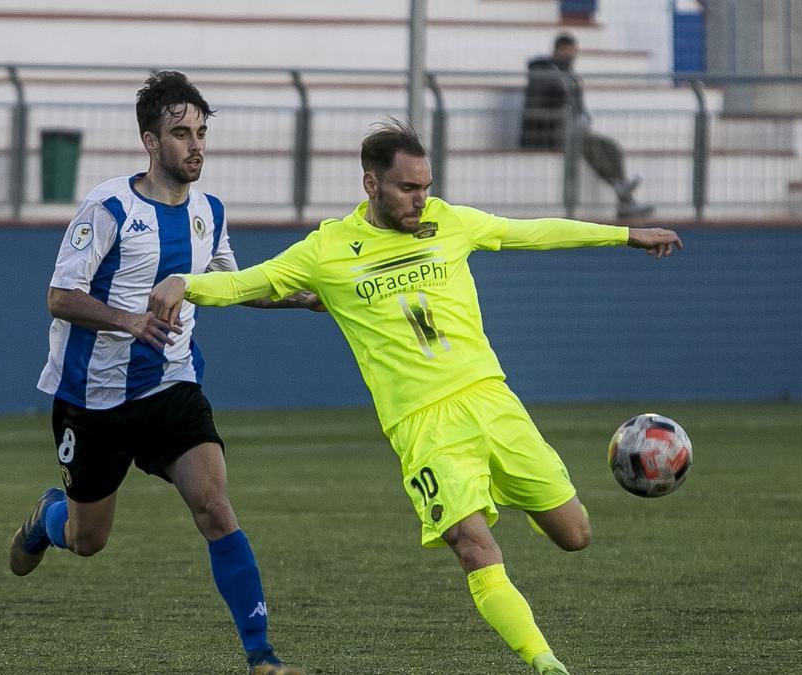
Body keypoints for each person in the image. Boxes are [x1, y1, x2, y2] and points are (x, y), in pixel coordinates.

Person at [149, 119, 682, 674]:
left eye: (425, 186)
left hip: (491, 401)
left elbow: (534, 232)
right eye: (408, 188)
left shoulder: (447, 221)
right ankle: (545, 662)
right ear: (371, 184)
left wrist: (624, 234)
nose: (421, 199)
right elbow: (245, 283)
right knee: (473, 545)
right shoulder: (327, 250)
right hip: (423, 425)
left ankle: (510, 488)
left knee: (576, 535)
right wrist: (187, 282)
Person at [8, 71, 313, 675]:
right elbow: (60, 297)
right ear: (150, 141)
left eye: (201, 132)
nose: (195, 145)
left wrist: (304, 298)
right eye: (181, 134)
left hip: (173, 387)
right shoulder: (108, 207)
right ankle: (49, 516)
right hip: (92, 399)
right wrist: (129, 320)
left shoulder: (209, 212)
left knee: (216, 508)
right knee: (89, 539)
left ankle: (263, 658)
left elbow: (232, 286)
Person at [520, 33, 655, 219]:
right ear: (557, 50)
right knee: (585, 143)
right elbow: (547, 100)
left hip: (573, 129)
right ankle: (619, 187)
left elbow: (579, 106)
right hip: (548, 131)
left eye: (573, 52)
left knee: (610, 146)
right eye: (567, 52)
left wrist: (583, 117)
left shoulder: (571, 77)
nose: (571, 56)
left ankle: (624, 197)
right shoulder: (543, 71)